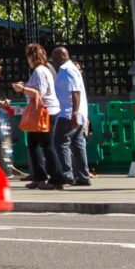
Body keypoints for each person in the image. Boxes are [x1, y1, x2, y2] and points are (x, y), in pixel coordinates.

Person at [15, 43, 60, 190]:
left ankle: (56, 179)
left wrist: (22, 89)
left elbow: (38, 93)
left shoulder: (40, 71)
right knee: (33, 145)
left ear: (32, 57)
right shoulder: (41, 71)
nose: (27, 59)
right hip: (42, 111)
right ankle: (39, 176)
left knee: (47, 145)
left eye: (28, 56)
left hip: (44, 112)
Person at [50, 45, 88, 188]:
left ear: (61, 57)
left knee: (60, 143)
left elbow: (75, 92)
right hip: (75, 113)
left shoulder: (67, 70)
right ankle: (83, 176)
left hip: (68, 113)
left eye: (54, 57)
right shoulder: (71, 69)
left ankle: (67, 174)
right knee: (78, 145)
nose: (52, 60)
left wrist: (74, 113)